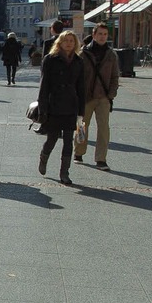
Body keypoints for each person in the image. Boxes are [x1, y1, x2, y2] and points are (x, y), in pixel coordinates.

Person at [37, 31, 85, 186]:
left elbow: (81, 87)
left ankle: (64, 172)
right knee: (52, 138)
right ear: (60, 42)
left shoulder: (78, 61)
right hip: (54, 104)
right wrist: (43, 108)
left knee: (68, 141)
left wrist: (81, 112)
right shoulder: (50, 59)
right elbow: (44, 86)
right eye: (66, 40)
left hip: (71, 104)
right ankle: (44, 157)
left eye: (72, 40)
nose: (69, 43)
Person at [73, 22, 119, 171]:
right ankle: (78, 152)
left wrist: (111, 95)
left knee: (104, 128)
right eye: (100, 34)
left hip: (103, 97)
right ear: (93, 35)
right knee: (81, 125)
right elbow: (76, 76)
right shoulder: (83, 53)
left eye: (105, 34)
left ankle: (101, 159)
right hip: (86, 96)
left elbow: (115, 77)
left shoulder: (111, 54)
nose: (102, 37)